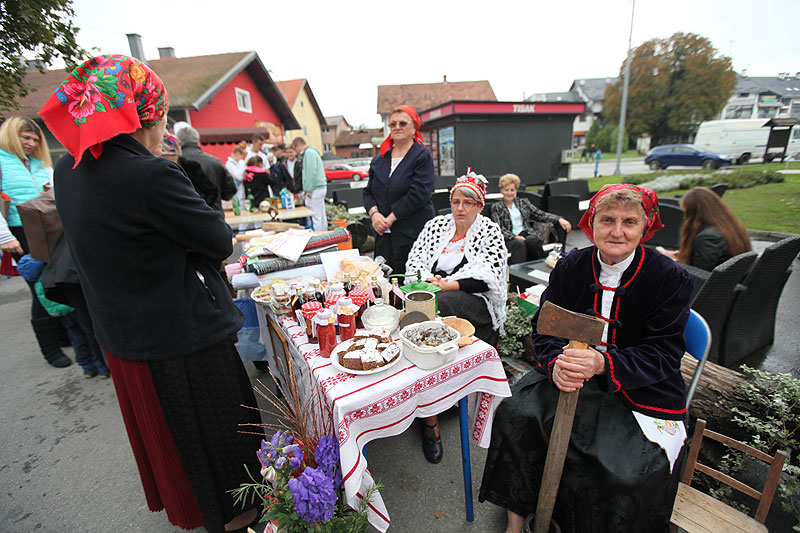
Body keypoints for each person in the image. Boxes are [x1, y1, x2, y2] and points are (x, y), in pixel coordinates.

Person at [40, 54, 261, 533]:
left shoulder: (69, 169)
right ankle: (240, 522)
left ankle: (204, 513)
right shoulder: (148, 174)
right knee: (223, 448)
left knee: (176, 447)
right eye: (161, 119)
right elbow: (218, 240)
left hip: (124, 336)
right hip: (183, 341)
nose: (165, 131)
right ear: (144, 116)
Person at [479, 184, 693, 533]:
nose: (617, 231)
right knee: (514, 415)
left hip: (636, 387)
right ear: (591, 224)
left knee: (620, 472)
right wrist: (554, 366)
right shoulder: (572, 267)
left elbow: (663, 354)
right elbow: (545, 330)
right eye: (607, 220)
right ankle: (515, 523)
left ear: (646, 226)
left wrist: (603, 364)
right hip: (569, 372)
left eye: (629, 222)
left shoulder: (669, 278)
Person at [405, 170, 508, 464]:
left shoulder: (489, 231)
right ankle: (419, 391)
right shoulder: (436, 226)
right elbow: (415, 263)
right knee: (412, 304)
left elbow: (487, 279)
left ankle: (431, 422)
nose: (460, 208)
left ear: (479, 206)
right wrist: (429, 280)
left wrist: (446, 284)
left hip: (475, 301)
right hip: (436, 290)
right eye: (456, 201)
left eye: (468, 203)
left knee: (435, 306)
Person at [0, 116, 72, 368]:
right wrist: (4, 237)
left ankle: (64, 335)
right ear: (12, 136)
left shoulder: (39, 163)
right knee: (38, 288)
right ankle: (50, 349)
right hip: (19, 234)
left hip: (49, 229)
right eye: (25, 137)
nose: (30, 143)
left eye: (34, 139)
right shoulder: (1, 162)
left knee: (56, 281)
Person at [363, 104, 435, 274]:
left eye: (403, 124)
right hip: (383, 234)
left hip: (412, 234)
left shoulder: (421, 155)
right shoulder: (380, 159)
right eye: (393, 124)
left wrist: (390, 219)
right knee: (385, 280)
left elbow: (419, 194)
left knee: (410, 282)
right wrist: (375, 215)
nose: (397, 127)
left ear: (414, 128)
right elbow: (368, 192)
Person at [657, 186, 752, 271]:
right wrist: (686, 255)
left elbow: (700, 273)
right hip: (727, 284)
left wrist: (669, 261)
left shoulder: (707, 238)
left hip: (706, 287)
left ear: (694, 214)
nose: (685, 218)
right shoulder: (729, 228)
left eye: (686, 213)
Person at [490, 173, 572, 264]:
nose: (509, 193)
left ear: (516, 191)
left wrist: (559, 219)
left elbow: (539, 214)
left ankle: (540, 266)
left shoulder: (523, 203)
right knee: (519, 245)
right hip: (510, 238)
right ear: (501, 191)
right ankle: (517, 274)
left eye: (512, 190)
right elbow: (499, 227)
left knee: (533, 241)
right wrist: (514, 237)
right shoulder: (497, 206)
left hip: (526, 233)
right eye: (506, 190)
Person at [175, 125, 237, 213]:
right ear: (198, 141)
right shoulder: (215, 161)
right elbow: (230, 191)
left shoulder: (175, 162)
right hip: (213, 213)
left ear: (179, 142)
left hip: (186, 215)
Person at [292, 137, 327, 231]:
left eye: (294, 148)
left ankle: (318, 237)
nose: (295, 151)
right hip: (319, 187)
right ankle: (324, 234)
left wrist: (308, 191)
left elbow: (310, 172)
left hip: (315, 188)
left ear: (298, 145)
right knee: (321, 214)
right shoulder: (313, 152)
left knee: (315, 215)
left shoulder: (308, 153)